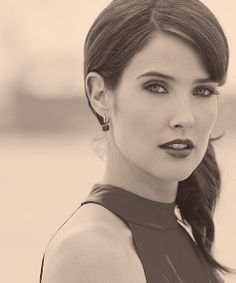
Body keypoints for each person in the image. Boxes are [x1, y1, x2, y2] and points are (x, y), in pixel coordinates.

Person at [39, 0, 233, 282]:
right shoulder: (92, 252)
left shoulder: (176, 232)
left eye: (203, 90)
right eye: (156, 87)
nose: (185, 117)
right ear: (100, 95)